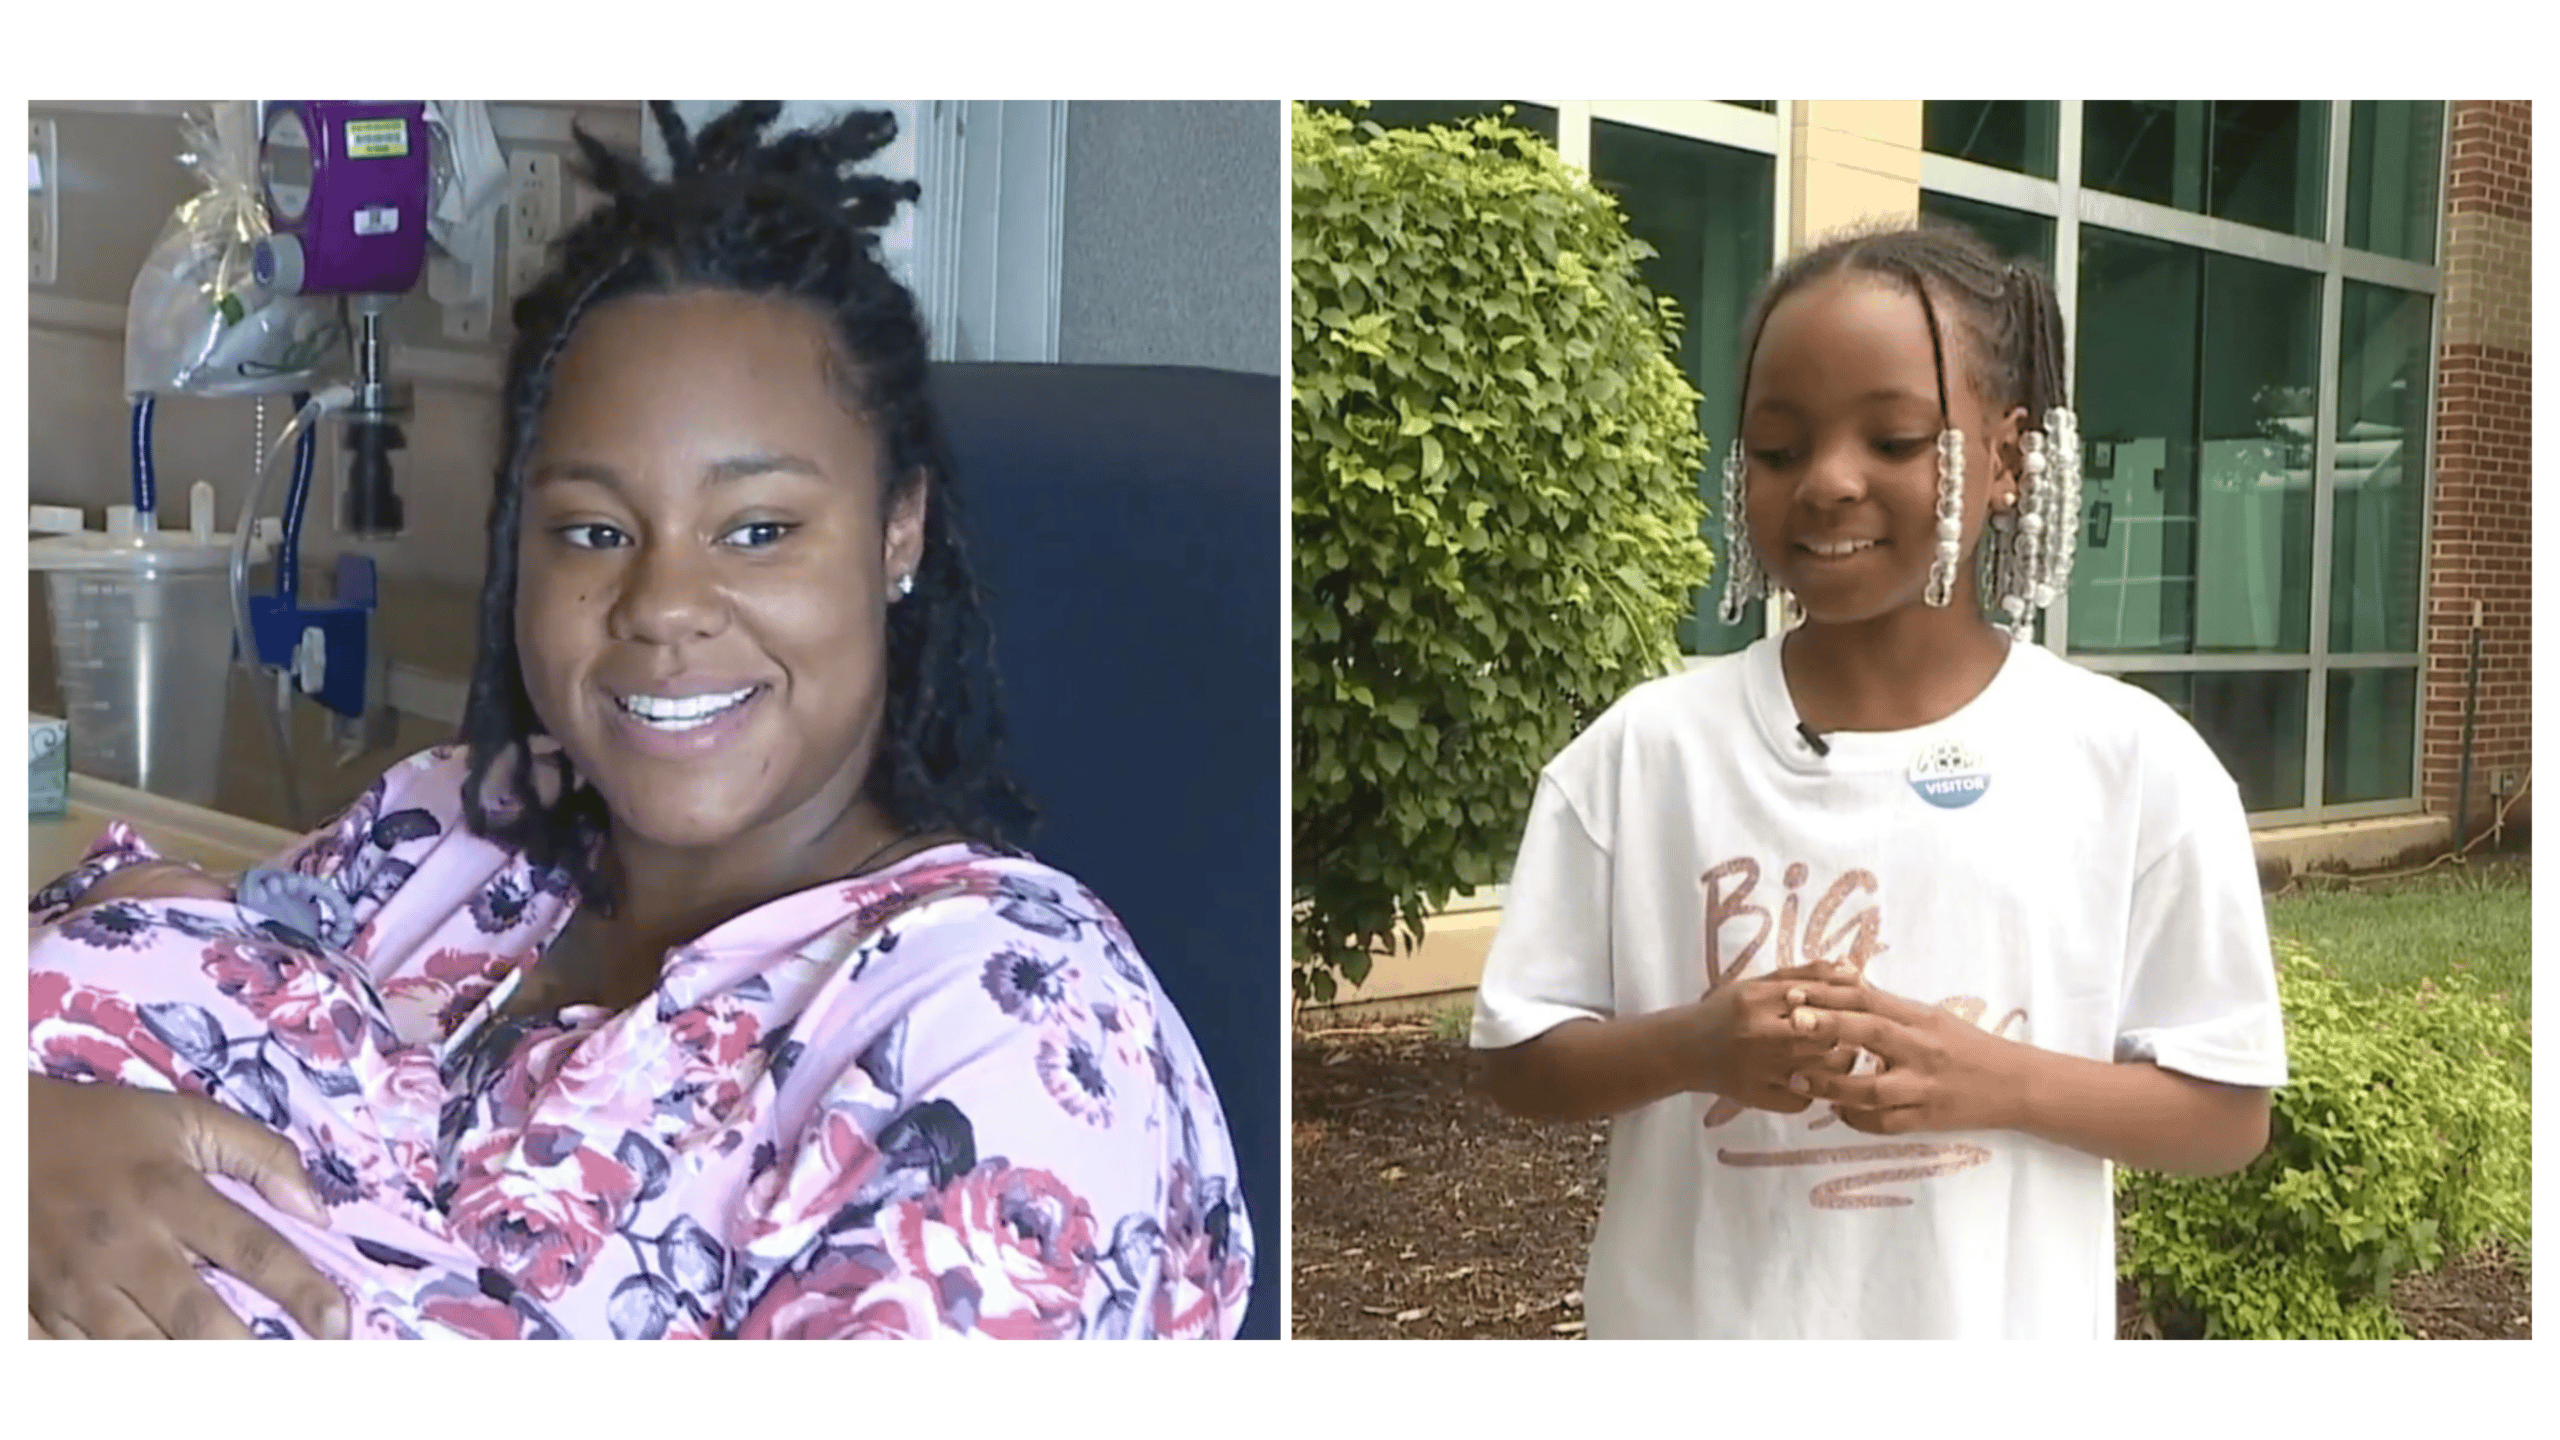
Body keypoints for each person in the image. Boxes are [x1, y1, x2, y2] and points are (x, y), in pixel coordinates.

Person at [26, 102, 1251, 1341]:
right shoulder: (448, 826)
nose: (663, 607)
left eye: (759, 531)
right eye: (595, 532)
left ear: (899, 533)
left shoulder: (1001, 1025)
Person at [1468, 220, 2286, 1340]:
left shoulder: (2130, 765)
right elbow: (1519, 1061)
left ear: (2006, 458)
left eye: (1895, 440)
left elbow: (2227, 1114)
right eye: (1776, 449)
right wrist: (1697, 1045)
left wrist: (1990, 1079)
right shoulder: (1645, 753)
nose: (1827, 483)